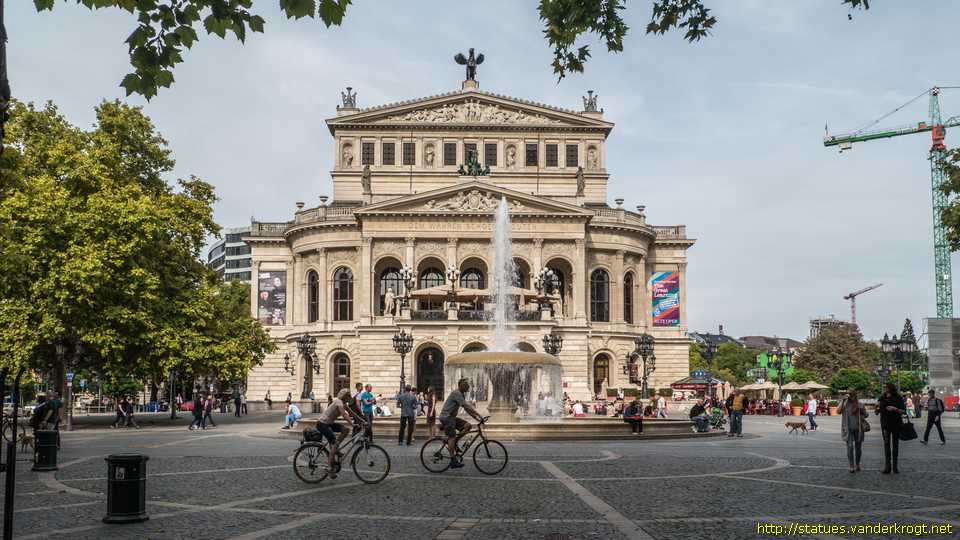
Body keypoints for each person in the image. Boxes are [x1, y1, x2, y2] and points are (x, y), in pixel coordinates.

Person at [311, 388, 367, 479]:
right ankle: (329, 467)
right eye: (348, 395)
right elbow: (345, 415)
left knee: (345, 430)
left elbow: (352, 413)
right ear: (344, 396)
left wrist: (362, 420)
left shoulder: (343, 403)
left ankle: (336, 448)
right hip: (322, 424)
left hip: (329, 424)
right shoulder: (338, 402)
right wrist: (352, 424)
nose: (350, 397)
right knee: (334, 445)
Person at [438, 378, 483, 469]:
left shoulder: (461, 395)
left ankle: (455, 442)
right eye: (465, 385)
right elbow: (466, 406)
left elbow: (466, 409)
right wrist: (478, 414)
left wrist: (477, 419)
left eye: (467, 385)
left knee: (468, 426)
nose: (467, 386)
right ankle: (453, 460)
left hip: (452, 418)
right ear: (460, 386)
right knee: (452, 437)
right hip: (447, 417)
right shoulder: (457, 393)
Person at [875, 383, 906, 474]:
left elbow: (903, 411)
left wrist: (894, 409)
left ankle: (895, 467)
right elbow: (878, 410)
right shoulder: (882, 397)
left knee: (895, 445)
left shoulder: (898, 397)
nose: (885, 389)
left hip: (896, 424)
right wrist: (877, 410)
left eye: (886, 387)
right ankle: (887, 467)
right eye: (884, 387)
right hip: (885, 424)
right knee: (886, 445)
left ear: (890, 388)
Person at [840, 390, 867, 473]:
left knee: (858, 448)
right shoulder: (845, 404)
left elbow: (866, 415)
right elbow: (837, 411)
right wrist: (843, 400)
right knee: (850, 447)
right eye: (849, 395)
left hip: (858, 429)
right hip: (848, 429)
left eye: (852, 395)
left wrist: (861, 410)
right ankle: (851, 465)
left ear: (855, 396)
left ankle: (857, 464)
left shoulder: (860, 404)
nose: (851, 397)